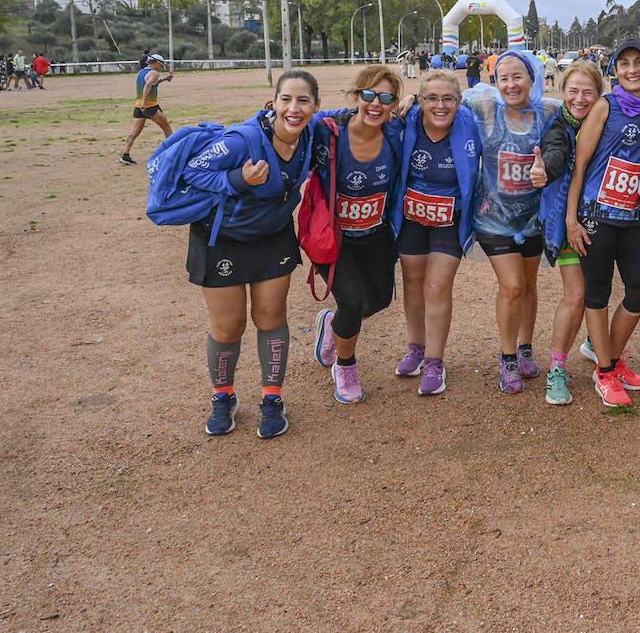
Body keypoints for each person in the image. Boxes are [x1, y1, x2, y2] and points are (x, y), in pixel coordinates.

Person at [181, 69, 321, 438]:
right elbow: (192, 172)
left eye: (303, 100)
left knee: (271, 315)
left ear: (315, 107)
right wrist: (237, 180)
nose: (294, 108)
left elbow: (353, 115)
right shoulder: (243, 140)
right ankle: (222, 396)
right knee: (229, 325)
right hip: (221, 237)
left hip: (272, 235)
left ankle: (272, 398)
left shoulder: (312, 133)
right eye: (286, 100)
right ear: (272, 104)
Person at [565, 38, 640, 407]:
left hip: (634, 216)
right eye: (624, 64)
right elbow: (580, 165)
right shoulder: (605, 107)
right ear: (615, 70)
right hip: (597, 216)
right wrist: (572, 219)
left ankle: (611, 360)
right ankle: (605, 374)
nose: (632, 70)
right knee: (598, 293)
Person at [308, 66, 405, 405]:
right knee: (351, 301)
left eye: (386, 98)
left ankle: (333, 323)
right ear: (356, 97)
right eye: (368, 95)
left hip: (376, 235)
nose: (376, 104)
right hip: (334, 238)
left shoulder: (396, 134)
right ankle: (345, 366)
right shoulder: (328, 131)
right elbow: (292, 117)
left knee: (377, 301)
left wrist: (414, 101)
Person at [464, 50, 560, 392]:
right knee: (513, 286)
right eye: (503, 78)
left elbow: (591, 114)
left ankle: (525, 348)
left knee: (530, 285)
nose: (510, 84)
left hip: (534, 219)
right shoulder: (486, 107)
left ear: (532, 79)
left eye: (518, 77)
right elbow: (440, 101)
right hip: (493, 219)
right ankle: (506, 358)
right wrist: (409, 99)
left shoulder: (549, 110)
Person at [392, 68, 482, 396]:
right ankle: (416, 348)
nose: (440, 105)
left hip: (450, 217)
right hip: (413, 215)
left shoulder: (471, 122)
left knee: (437, 285)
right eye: (432, 98)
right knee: (413, 283)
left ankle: (434, 361)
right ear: (420, 100)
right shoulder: (407, 119)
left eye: (448, 99)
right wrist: (406, 101)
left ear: (459, 101)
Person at [533, 59, 604, 404]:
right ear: (563, 91)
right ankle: (557, 369)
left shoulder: (608, 119)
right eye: (573, 91)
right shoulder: (558, 126)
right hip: (567, 221)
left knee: (599, 289)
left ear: (599, 96)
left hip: (605, 219)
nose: (579, 98)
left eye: (587, 92)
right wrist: (544, 168)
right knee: (575, 294)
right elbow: (556, 152)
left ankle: (594, 343)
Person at [121, 54, 175, 164]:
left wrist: (164, 79)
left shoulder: (141, 72)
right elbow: (148, 85)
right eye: (160, 65)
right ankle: (171, 155)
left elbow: (152, 82)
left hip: (138, 106)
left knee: (134, 133)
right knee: (167, 129)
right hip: (150, 107)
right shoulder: (155, 73)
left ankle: (125, 155)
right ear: (155, 63)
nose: (160, 67)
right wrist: (144, 102)